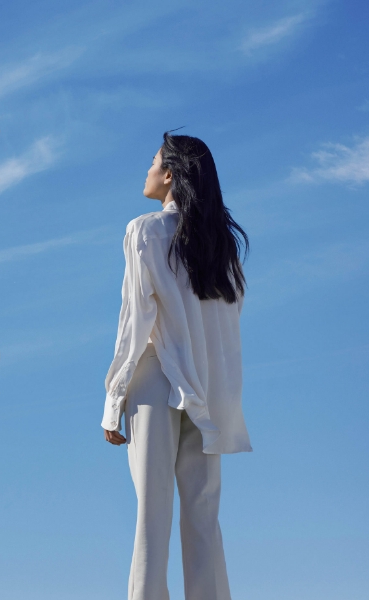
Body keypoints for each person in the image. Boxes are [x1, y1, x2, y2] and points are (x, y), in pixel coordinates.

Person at [101, 132, 251, 600]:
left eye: (152, 162)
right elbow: (226, 328)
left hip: (157, 375)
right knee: (203, 516)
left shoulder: (145, 230)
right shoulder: (224, 250)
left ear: (169, 175)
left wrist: (113, 399)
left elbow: (135, 320)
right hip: (209, 387)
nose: (146, 171)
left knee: (152, 513)